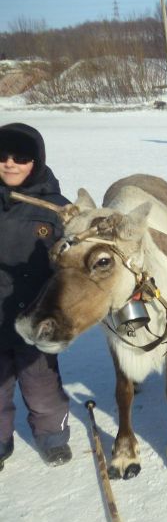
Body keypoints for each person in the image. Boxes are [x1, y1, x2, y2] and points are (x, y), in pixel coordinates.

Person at [0, 123, 73, 471]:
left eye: (21, 156)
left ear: (37, 161)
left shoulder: (56, 209)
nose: (9, 163)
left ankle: (52, 437)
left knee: (42, 385)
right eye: (2, 156)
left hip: (36, 316)